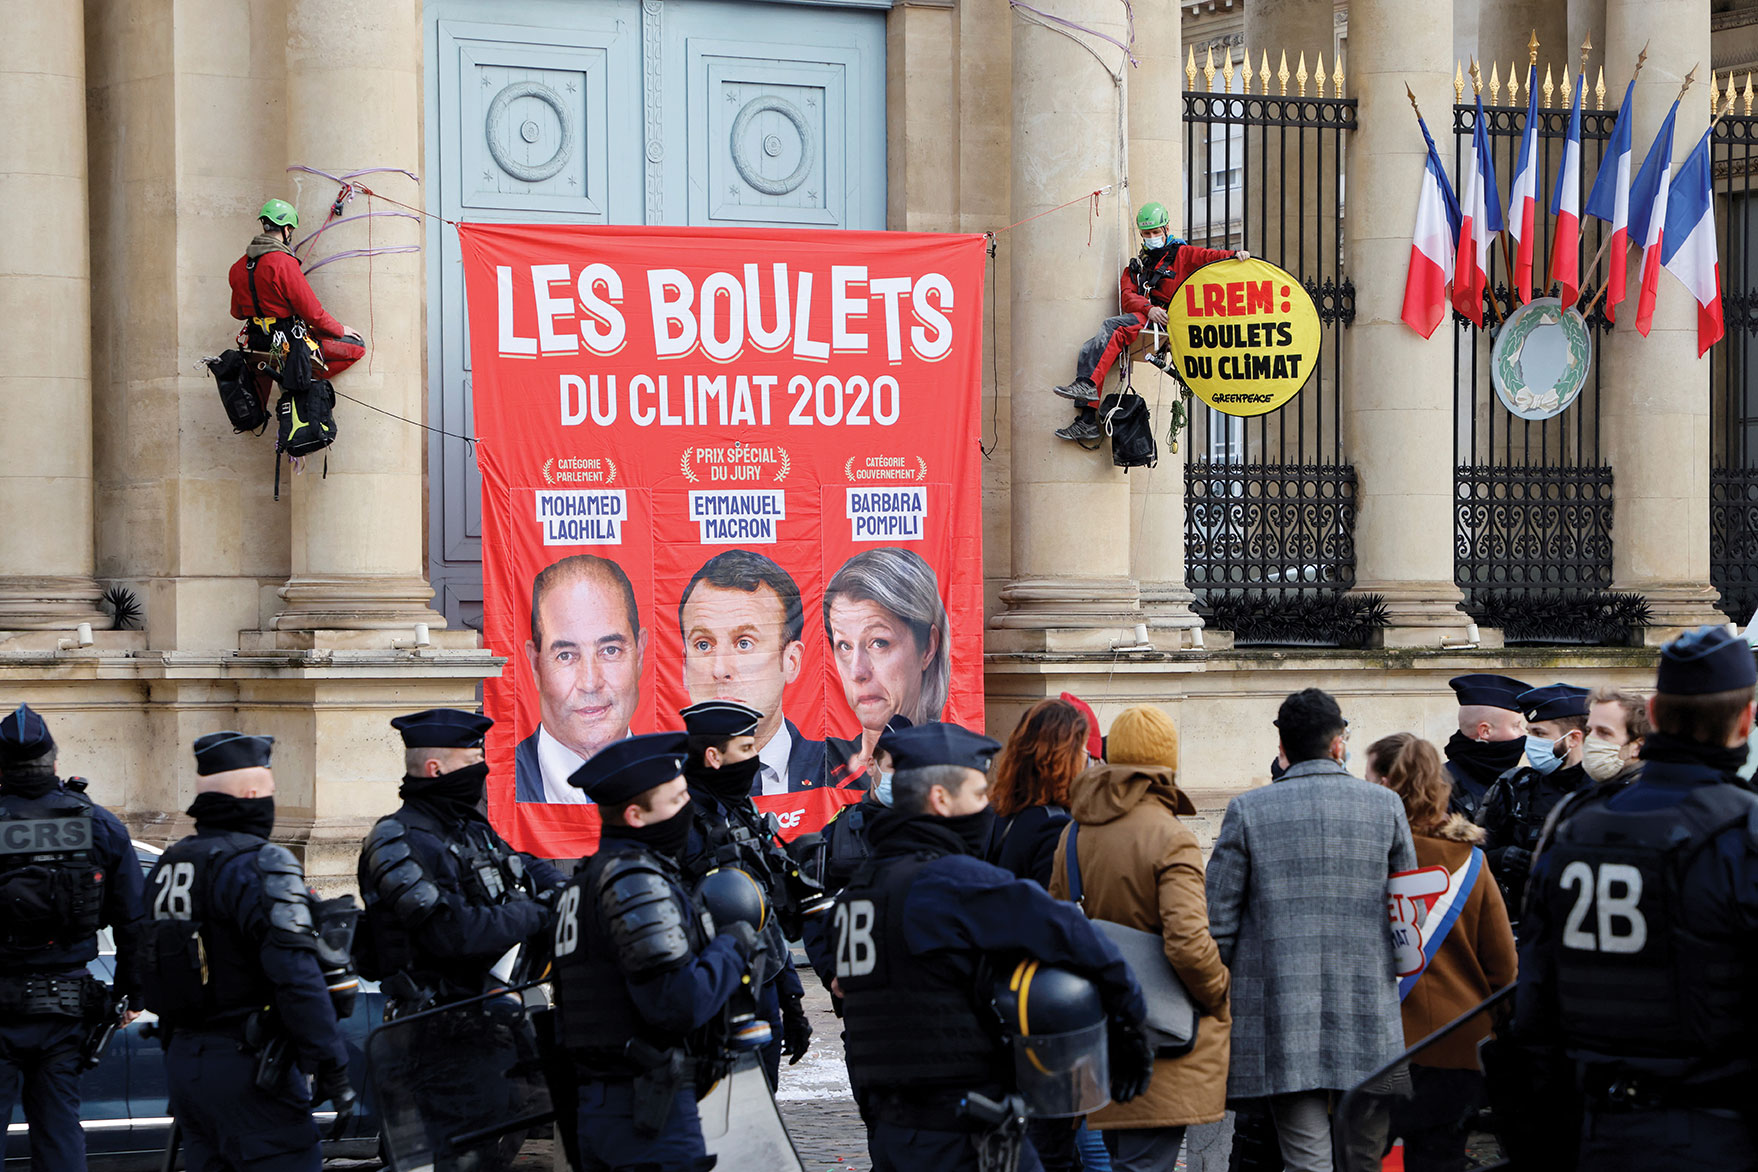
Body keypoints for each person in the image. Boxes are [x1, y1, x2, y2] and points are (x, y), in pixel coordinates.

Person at [833, 721, 1155, 1172]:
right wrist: (1129, 1027)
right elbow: (1074, 932)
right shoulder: (947, 882)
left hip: (892, 1129)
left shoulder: (863, 889)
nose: (987, 807)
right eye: (978, 794)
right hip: (963, 1133)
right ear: (940, 799)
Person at [1508, 625, 1758, 1169]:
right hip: (1718, 1133)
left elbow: (1534, 1002)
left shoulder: (1575, 823)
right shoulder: (1742, 830)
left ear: (1656, 713)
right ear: (1746, 719)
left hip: (1594, 1128)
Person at [1205, 688, 1415, 1172]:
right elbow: (1407, 915)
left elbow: (1218, 923)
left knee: (1305, 1157)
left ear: (1284, 748)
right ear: (1338, 744)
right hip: (1367, 1006)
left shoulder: (1248, 811)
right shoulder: (1385, 807)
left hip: (1280, 1011)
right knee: (1362, 1156)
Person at [142, 732, 356, 1171]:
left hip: (186, 1064)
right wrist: (331, 1062)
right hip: (250, 1069)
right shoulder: (260, 863)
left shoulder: (170, 863)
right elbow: (296, 973)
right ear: (254, 794)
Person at [549, 731, 762, 1171]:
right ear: (635, 815)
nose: (687, 808)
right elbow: (676, 1003)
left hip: (605, 1101)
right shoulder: (635, 882)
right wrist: (732, 943)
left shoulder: (588, 879)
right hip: (644, 1110)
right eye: (676, 799)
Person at [1049, 705, 1231, 1172]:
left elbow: (1055, 930)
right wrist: (1220, 994)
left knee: (1120, 1160)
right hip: (1162, 1035)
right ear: (1167, 761)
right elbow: (1188, 942)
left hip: (1098, 1027)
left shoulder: (1073, 833)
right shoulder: (1171, 837)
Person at [0, 704, 145, 1172]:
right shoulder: (97, 823)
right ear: (55, 764)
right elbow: (134, 921)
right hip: (64, 1008)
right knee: (60, 1130)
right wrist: (130, 994)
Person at [1364, 734, 1515, 1172]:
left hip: (1379, 1042)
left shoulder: (1363, 855)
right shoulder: (1470, 860)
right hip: (1457, 1038)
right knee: (1441, 1159)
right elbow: (1503, 964)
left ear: (1386, 782)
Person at [357, 708, 566, 1009]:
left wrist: (566, 888)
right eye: (472, 762)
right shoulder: (395, 842)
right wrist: (543, 911)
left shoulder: (469, 827)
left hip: (494, 1006)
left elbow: (521, 864)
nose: (482, 769)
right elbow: (454, 934)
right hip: (432, 1021)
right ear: (435, 769)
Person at [675, 699, 812, 1088]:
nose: (755, 758)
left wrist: (791, 997)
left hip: (761, 983)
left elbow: (763, 910)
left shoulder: (741, 812)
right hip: (712, 989)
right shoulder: (680, 820)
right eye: (747, 749)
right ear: (714, 757)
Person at [1051, 202, 1247, 441]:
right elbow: (1127, 295)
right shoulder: (1138, 266)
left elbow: (1209, 257)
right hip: (1150, 316)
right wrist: (1148, 307)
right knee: (1091, 347)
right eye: (1147, 234)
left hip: (1166, 322)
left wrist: (1235, 256)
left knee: (1114, 327)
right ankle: (1087, 419)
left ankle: (1087, 383)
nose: (1152, 237)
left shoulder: (1181, 254)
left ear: (1166, 229)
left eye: (1156, 232)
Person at [677, 550, 826, 792]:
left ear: (791, 661)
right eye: (703, 645)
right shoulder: (657, 786)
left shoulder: (841, 771)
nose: (721, 669)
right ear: (684, 666)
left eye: (744, 643)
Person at [516, 554, 648, 802]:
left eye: (610, 650)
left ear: (639, 654)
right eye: (566, 655)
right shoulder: (495, 783)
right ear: (536, 665)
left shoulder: (681, 781)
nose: (590, 683)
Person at [823, 547, 951, 785]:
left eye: (879, 643)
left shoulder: (955, 766)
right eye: (844, 646)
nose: (857, 672)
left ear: (928, 647)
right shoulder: (819, 770)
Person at [227, 198, 365, 405]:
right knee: (357, 348)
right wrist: (339, 329)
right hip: (287, 343)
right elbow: (312, 313)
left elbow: (237, 312)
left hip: (258, 342)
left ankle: (292, 380)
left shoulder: (239, 266)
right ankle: (303, 380)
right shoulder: (283, 262)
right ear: (287, 228)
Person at [1475, 682, 1590, 918]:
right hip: (1523, 920)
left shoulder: (1603, 790)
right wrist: (1501, 857)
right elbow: (1473, 854)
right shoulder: (1514, 786)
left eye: (1540, 734)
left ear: (1573, 739)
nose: (1531, 743)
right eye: (1530, 733)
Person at [987, 698, 1087, 888]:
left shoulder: (997, 813)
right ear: (1065, 758)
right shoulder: (1055, 826)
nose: (1085, 758)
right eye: (1082, 750)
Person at [1440, 673, 1531, 818]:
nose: (1522, 733)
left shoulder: (1523, 784)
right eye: (1516, 726)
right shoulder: (1436, 788)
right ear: (1485, 731)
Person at [1583, 684, 1650, 785]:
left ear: (1638, 747)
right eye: (1588, 731)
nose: (1590, 739)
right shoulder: (1593, 789)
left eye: (1604, 732)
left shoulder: (1645, 795)